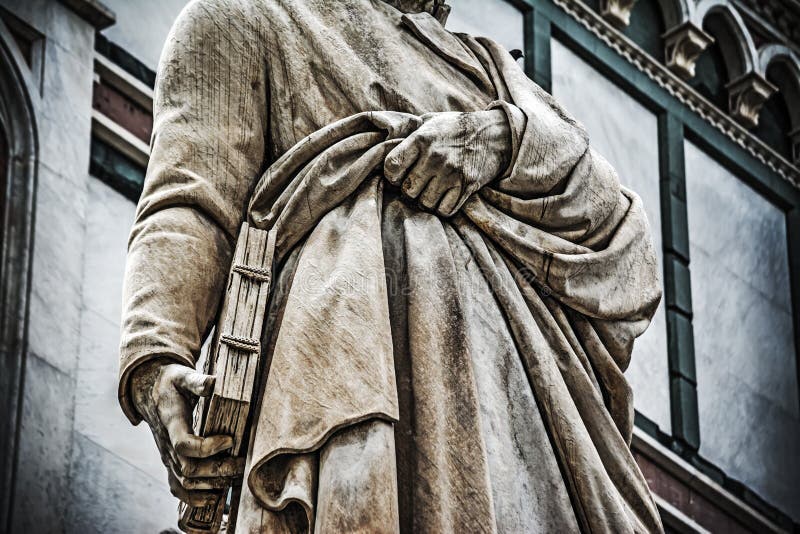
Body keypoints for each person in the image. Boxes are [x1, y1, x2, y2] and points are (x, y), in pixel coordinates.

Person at [119, 0, 664, 532]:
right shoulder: (250, 16)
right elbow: (191, 205)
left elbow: (625, 253)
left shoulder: (500, 81)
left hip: (521, 428)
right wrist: (155, 361)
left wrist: (502, 139)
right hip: (347, 379)